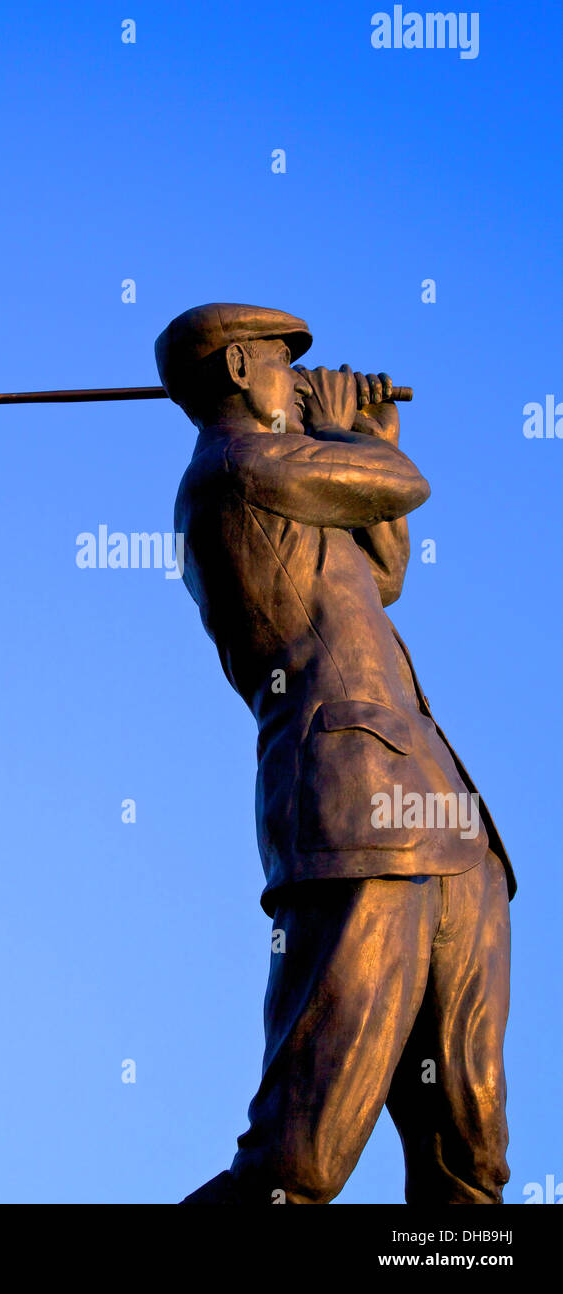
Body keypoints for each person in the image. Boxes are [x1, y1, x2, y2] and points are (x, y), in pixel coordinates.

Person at [155, 303, 515, 1205]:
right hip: (354, 812)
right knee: (300, 1157)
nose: (300, 377)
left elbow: (383, 569)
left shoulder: (291, 475)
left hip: (442, 817)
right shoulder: (234, 469)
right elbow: (402, 483)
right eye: (286, 362)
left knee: (468, 1159)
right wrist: (341, 427)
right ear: (240, 366)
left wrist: (357, 431)